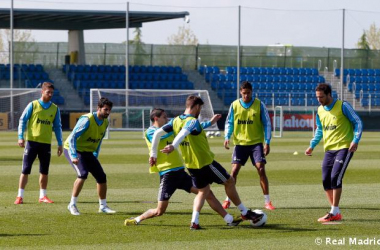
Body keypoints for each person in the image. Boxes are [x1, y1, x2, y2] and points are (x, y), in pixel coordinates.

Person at [150, 96, 263, 230]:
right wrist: (174, 146)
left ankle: (194, 222)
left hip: (191, 166)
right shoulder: (192, 121)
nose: (200, 111)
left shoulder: (175, 121)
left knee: (203, 191)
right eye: (201, 108)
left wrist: (153, 154)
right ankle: (245, 213)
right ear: (197, 106)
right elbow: (184, 133)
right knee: (229, 181)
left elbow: (157, 133)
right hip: (205, 163)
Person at [125, 108, 241, 227]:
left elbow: (190, 128)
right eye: (164, 117)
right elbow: (166, 134)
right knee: (159, 211)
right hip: (167, 175)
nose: (167, 119)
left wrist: (210, 123)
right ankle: (138, 219)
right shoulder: (150, 132)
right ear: (156, 118)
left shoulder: (170, 129)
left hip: (180, 172)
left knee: (206, 192)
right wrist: (178, 128)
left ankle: (229, 219)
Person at [305, 83, 362, 222]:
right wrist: (312, 145)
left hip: (344, 147)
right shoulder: (320, 110)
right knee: (326, 180)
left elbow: (358, 122)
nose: (319, 100)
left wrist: (355, 140)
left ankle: (334, 211)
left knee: (335, 177)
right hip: (329, 149)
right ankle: (334, 211)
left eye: (321, 97)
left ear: (329, 95)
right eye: (317, 97)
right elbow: (320, 129)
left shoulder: (343, 106)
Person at [223, 81, 274, 210]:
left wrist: (267, 142)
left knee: (261, 169)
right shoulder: (234, 105)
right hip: (240, 144)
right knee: (233, 172)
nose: (246, 96)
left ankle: (267, 201)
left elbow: (267, 123)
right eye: (244, 93)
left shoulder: (259, 105)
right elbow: (229, 122)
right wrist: (227, 137)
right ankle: (227, 200)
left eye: (248, 93)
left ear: (252, 92)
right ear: (241, 92)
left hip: (256, 143)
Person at [64, 97, 115, 216]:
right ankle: (72, 204)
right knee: (82, 174)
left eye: (109, 110)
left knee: (101, 177)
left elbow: (99, 140)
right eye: (105, 109)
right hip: (74, 149)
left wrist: (96, 154)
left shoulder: (105, 122)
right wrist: (73, 155)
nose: (108, 112)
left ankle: (103, 206)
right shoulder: (87, 120)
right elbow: (72, 137)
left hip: (87, 152)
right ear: (98, 108)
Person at [15, 82, 63, 204]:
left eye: (52, 92)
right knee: (25, 169)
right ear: (42, 92)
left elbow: (57, 127)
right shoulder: (33, 105)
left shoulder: (55, 108)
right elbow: (22, 120)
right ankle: (19, 196)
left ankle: (43, 196)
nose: (51, 94)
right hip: (31, 142)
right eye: (48, 92)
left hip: (46, 143)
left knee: (44, 170)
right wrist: (20, 137)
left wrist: (60, 143)